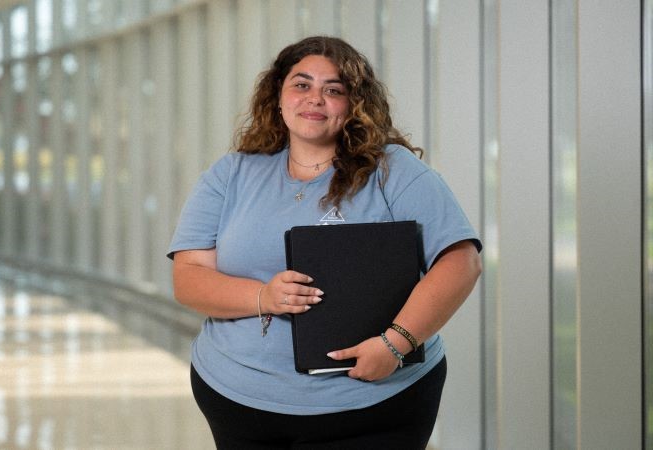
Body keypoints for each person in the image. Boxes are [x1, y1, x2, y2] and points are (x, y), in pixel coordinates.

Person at [167, 35, 482, 449]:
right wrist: (264, 295)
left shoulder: (395, 171)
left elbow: (461, 262)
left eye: (333, 90)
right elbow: (188, 278)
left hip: (373, 403)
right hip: (238, 399)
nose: (315, 98)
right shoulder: (231, 174)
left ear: (353, 106)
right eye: (301, 85)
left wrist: (395, 344)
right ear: (277, 97)